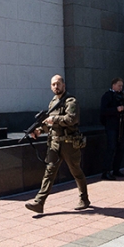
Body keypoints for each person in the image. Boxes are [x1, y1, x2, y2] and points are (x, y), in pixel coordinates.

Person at [25, 75, 90, 214]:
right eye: (53, 84)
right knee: (49, 172)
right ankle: (39, 203)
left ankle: (84, 199)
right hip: (54, 144)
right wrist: (39, 130)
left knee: (76, 171)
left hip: (69, 143)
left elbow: (72, 119)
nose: (56, 86)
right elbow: (50, 125)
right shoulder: (53, 102)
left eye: (58, 84)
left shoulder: (71, 101)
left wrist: (54, 119)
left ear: (64, 85)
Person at [100, 77, 124, 180]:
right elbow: (103, 111)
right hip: (112, 126)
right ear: (113, 85)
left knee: (121, 148)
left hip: (121, 125)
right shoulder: (107, 96)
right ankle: (106, 171)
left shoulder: (122, 96)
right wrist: (115, 109)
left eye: (121, 86)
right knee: (111, 147)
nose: (120, 88)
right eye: (119, 85)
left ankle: (116, 169)